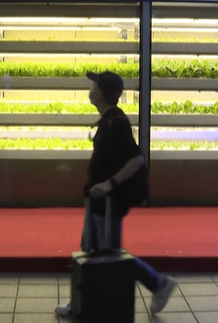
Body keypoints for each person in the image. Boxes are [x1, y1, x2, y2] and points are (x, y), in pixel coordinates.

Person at [55, 71, 178, 317]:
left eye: (95, 86)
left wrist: (109, 184)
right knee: (91, 249)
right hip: (97, 199)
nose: (91, 90)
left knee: (110, 253)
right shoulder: (108, 120)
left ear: (102, 93)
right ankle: (81, 300)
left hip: (110, 201)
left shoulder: (117, 123)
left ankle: (158, 283)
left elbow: (137, 159)